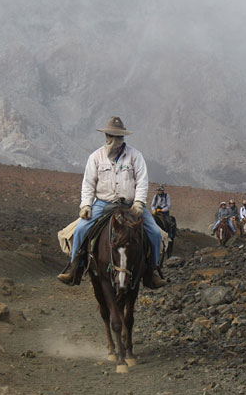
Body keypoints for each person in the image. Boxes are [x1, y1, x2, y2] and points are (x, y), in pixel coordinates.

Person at [57, 116, 167, 288]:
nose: (113, 140)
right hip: (103, 203)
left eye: (117, 136)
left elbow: (142, 181)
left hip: (130, 206)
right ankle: (75, 269)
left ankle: (151, 271)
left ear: (122, 137)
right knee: (80, 230)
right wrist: (86, 205)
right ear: (106, 136)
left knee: (154, 232)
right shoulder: (95, 157)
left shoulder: (135, 156)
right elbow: (88, 183)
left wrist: (138, 203)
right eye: (110, 135)